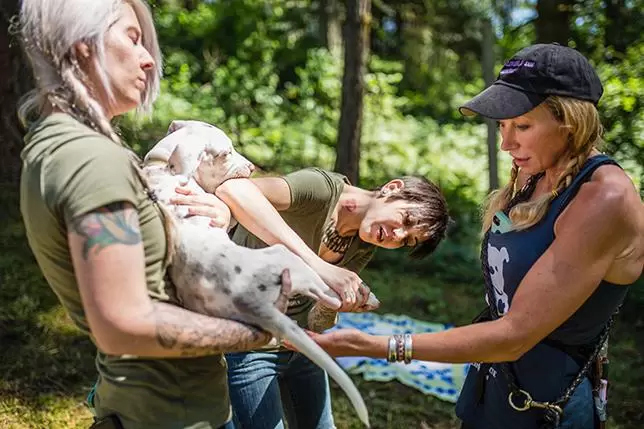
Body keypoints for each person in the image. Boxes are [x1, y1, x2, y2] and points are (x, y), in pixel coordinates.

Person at [301, 43, 644, 429]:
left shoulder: (603, 197)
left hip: (545, 408)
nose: (506, 143)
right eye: (502, 125)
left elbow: (515, 334)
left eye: (522, 126)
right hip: (494, 388)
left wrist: (380, 347)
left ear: (570, 121)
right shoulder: (535, 175)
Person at [17, 2, 293, 428]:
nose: (149, 57)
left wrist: (217, 213)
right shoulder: (94, 162)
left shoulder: (53, 144)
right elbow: (125, 323)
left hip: (144, 406)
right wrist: (258, 333)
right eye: (132, 37)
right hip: (166, 415)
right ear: (83, 45)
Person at [207, 167, 451, 429]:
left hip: (301, 346)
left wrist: (331, 304)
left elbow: (316, 323)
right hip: (249, 344)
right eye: (405, 220)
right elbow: (235, 189)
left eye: (407, 241)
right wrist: (318, 266)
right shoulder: (321, 190)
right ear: (392, 188)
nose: (398, 236)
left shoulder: (365, 242)